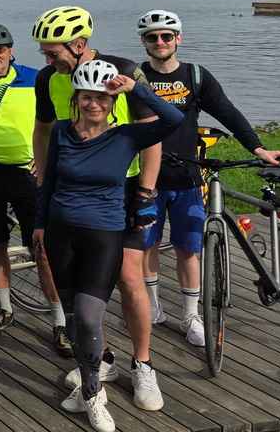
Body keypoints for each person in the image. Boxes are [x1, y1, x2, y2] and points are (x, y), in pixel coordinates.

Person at [35, 59, 184, 432]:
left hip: (104, 234)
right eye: (87, 98)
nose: (94, 105)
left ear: (111, 100)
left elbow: (173, 120)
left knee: (88, 316)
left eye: (102, 98)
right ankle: (92, 392)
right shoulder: (63, 133)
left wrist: (135, 89)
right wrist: (38, 225)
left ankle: (96, 385)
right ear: (77, 99)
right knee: (72, 321)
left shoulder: (126, 136)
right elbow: (48, 180)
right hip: (59, 233)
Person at [134, 9, 280, 346]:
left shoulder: (195, 76)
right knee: (145, 246)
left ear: (178, 38)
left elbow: (228, 112)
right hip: (146, 179)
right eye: (153, 37)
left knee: (188, 248)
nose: (160, 41)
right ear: (144, 42)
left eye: (167, 35)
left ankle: (191, 315)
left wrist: (260, 150)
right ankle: (152, 307)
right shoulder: (136, 79)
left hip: (188, 177)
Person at [0, 23, 70, 356]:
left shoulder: (37, 78)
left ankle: (60, 321)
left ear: (10, 50)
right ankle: (6, 307)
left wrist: (48, 161)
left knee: (42, 246)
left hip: (28, 173)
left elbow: (57, 121)